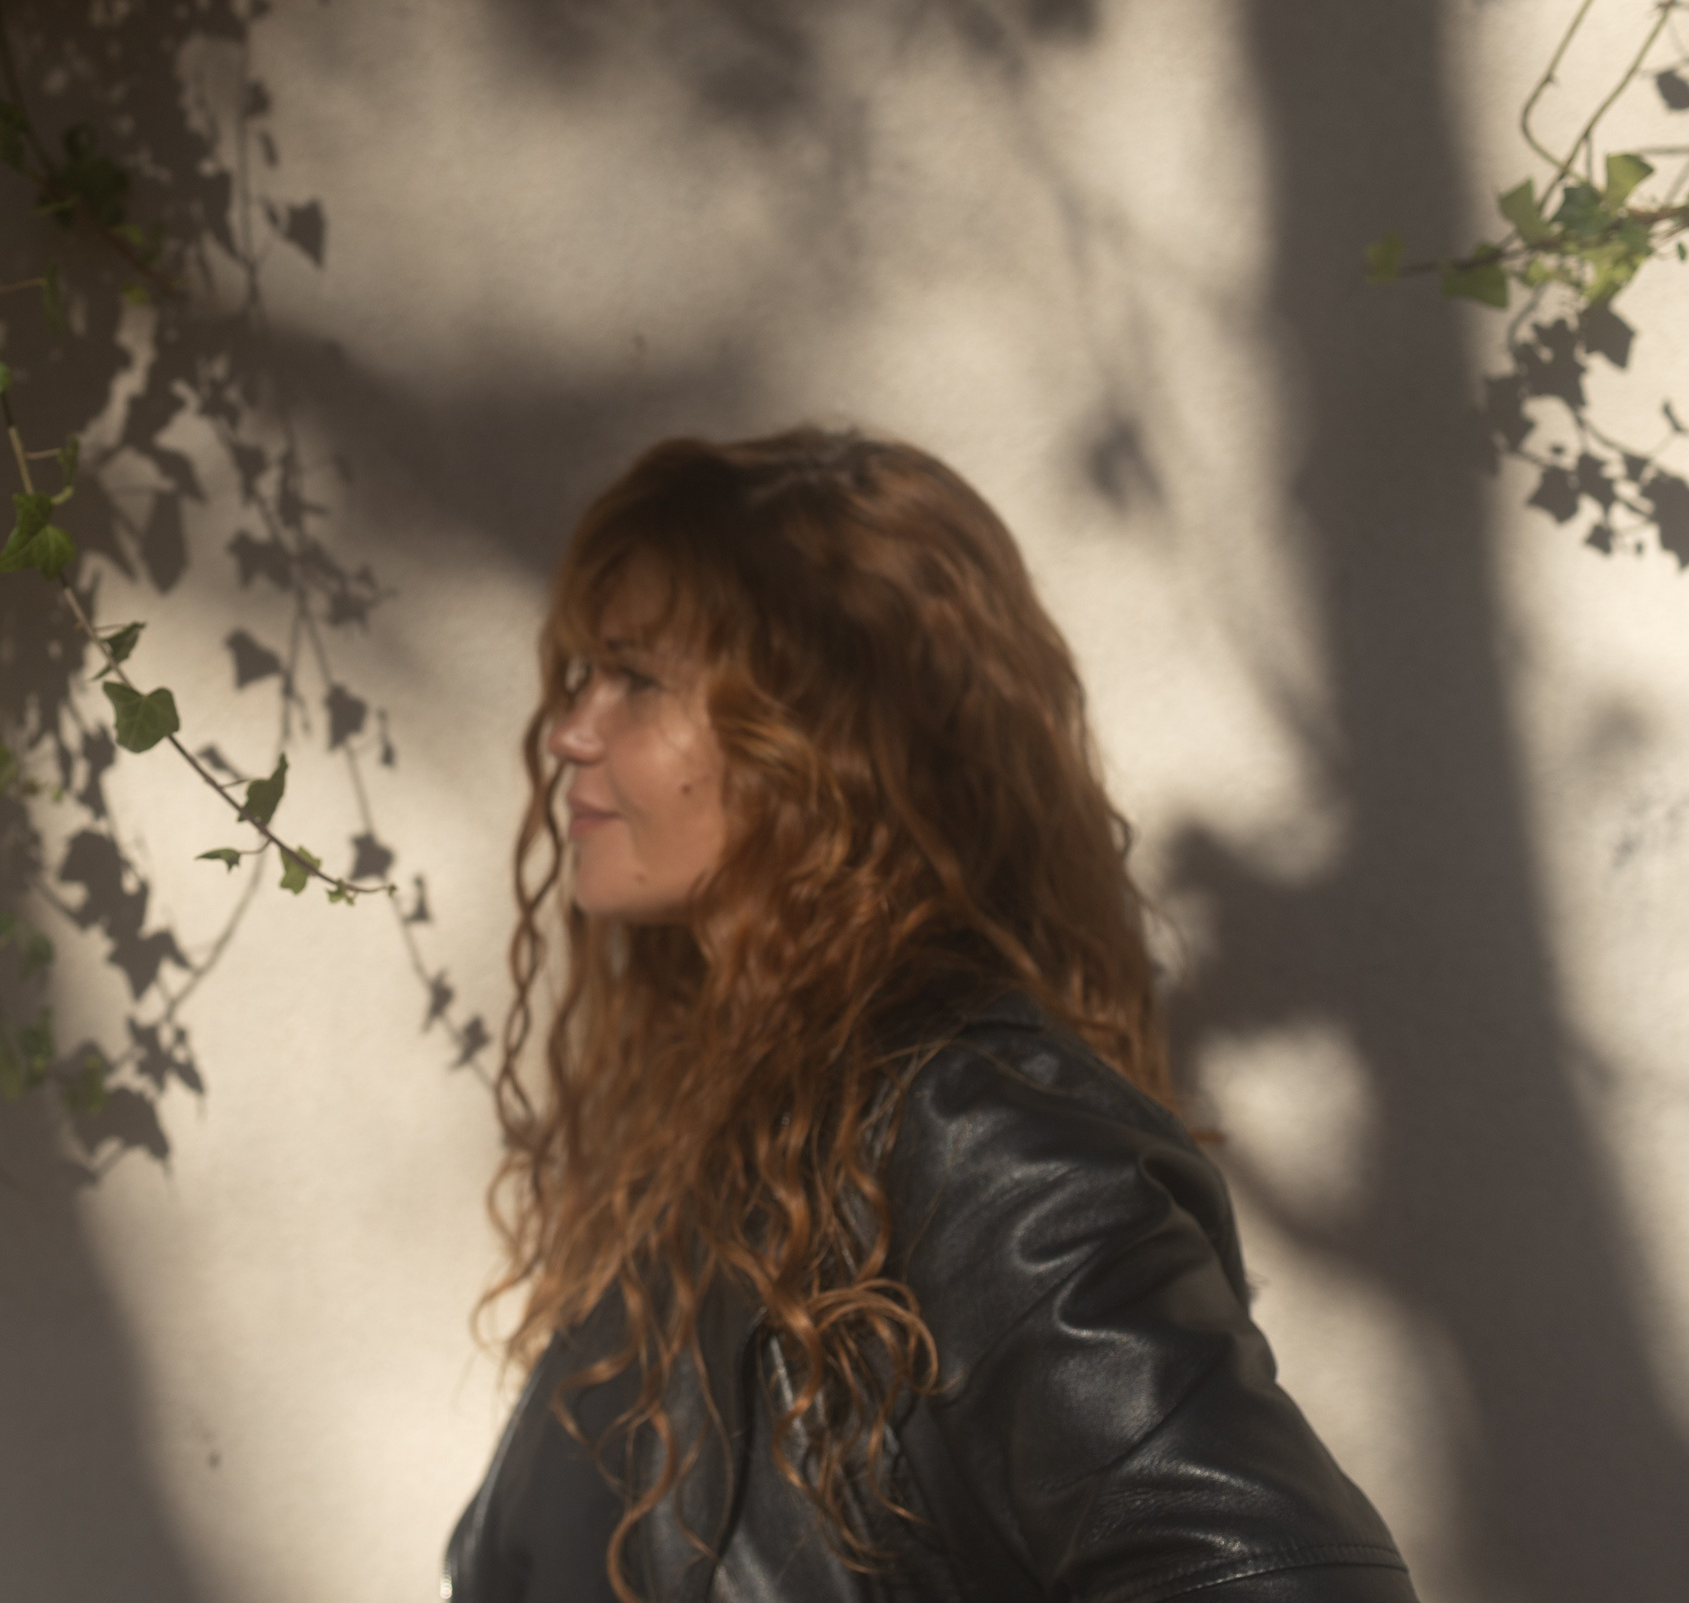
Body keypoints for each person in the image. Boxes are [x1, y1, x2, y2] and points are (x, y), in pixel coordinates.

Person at [444, 430, 1416, 1603]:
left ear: (825, 735)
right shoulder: (733, 1148)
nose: (570, 730)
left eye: (637, 680)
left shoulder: (976, 1138)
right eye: (581, 677)